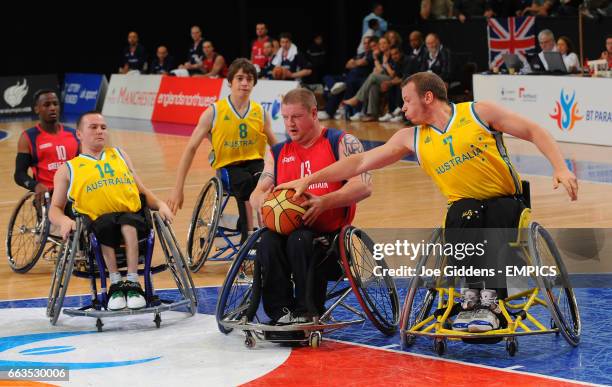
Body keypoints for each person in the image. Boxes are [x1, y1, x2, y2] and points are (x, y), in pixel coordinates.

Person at [278, 72, 578, 331]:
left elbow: (534, 131)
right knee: (464, 212)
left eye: (407, 100)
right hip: (465, 209)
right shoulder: (412, 137)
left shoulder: (478, 113)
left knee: (491, 212)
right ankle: (472, 299)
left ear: (428, 97)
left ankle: (491, 303)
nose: (402, 107)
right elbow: (360, 162)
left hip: (507, 202)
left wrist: (561, 167)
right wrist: (309, 178)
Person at [249, 88, 372, 323]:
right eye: (285, 118)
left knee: (301, 239)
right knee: (268, 241)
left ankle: (307, 313)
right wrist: (262, 202)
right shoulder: (276, 152)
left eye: (296, 117)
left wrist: (325, 202)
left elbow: (364, 186)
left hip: (330, 239)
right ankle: (280, 315)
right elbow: (259, 190)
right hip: (287, 234)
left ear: (314, 113)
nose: (290, 124)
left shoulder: (341, 142)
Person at [49, 112, 174, 311]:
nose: (100, 131)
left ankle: (132, 282)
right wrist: (64, 221)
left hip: (132, 217)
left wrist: (160, 204)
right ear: (79, 134)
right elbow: (54, 208)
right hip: (97, 224)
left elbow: (142, 190)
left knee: (128, 224)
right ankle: (115, 282)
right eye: (93, 127)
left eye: (103, 127)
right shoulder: (68, 169)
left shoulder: (120, 155)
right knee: (105, 225)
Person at [167, 59, 277, 237]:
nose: (244, 83)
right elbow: (190, 149)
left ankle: (268, 232)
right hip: (228, 167)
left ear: (254, 83)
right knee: (248, 184)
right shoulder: (214, 112)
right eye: (239, 78)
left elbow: (278, 148)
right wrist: (178, 188)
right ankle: (248, 236)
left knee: (268, 181)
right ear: (229, 82)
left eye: (249, 79)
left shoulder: (260, 112)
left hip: (256, 163)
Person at [14, 90, 79, 196]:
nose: (52, 108)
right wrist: (35, 185)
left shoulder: (74, 134)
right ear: (36, 109)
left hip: (75, 193)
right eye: (47, 105)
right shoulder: (28, 137)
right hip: (48, 196)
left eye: (55, 104)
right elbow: (19, 174)